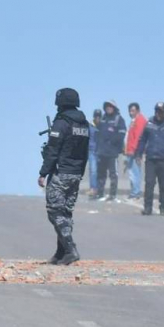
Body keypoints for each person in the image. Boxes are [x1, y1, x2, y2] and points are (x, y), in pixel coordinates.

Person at [38, 88, 90, 266]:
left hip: (61, 173)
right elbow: (85, 152)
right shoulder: (84, 124)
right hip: (75, 173)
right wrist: (80, 172)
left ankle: (70, 249)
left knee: (55, 212)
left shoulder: (61, 123)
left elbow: (53, 151)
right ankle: (60, 253)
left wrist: (43, 173)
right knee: (66, 213)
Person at [95, 100, 126, 201]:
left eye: (110, 106)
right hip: (102, 152)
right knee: (101, 174)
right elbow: (97, 133)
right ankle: (100, 194)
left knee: (113, 174)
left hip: (112, 152)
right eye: (107, 106)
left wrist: (112, 141)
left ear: (114, 108)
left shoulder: (119, 119)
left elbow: (122, 134)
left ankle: (113, 195)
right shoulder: (103, 119)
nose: (108, 108)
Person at [125, 102, 147, 200]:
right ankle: (134, 192)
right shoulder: (134, 121)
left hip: (135, 151)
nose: (131, 113)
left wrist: (134, 150)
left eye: (133, 111)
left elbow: (138, 137)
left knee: (135, 172)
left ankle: (135, 193)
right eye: (130, 111)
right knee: (132, 172)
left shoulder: (140, 120)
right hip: (130, 150)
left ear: (137, 110)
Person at [87, 109, 101, 196]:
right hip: (91, 150)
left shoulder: (102, 126)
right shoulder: (89, 126)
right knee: (93, 170)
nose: (98, 118)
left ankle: (99, 188)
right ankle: (93, 188)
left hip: (100, 151)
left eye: (99, 117)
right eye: (96, 116)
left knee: (100, 171)